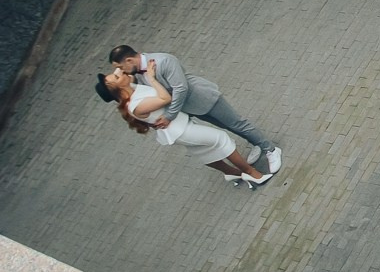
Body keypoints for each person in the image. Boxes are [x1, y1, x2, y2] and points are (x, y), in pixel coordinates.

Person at [108, 44, 283, 179]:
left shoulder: (164, 61)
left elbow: (181, 89)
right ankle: (255, 143)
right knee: (229, 126)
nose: (120, 71)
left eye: (120, 66)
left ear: (129, 61)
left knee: (237, 123)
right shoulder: (137, 75)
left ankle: (271, 149)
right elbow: (124, 90)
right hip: (190, 108)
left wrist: (169, 116)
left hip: (203, 98)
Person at [95, 66, 271, 187]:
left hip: (179, 124)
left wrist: (115, 75)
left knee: (204, 151)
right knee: (221, 139)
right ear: (116, 88)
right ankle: (251, 173)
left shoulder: (130, 86)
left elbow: (123, 69)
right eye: (117, 76)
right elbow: (165, 99)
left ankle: (231, 172)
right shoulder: (135, 106)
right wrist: (152, 79)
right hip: (180, 130)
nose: (120, 73)